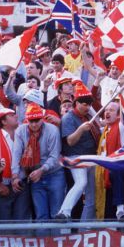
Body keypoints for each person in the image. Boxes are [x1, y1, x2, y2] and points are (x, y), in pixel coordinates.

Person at [12, 103, 64, 222]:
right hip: (35, 175)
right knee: (41, 215)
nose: (34, 124)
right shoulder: (20, 131)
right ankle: (44, 240)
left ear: (42, 119)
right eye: (31, 121)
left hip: (54, 173)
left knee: (56, 213)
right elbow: (16, 154)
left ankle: (57, 241)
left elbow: (54, 156)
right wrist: (14, 175)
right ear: (26, 120)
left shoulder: (52, 130)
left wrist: (41, 170)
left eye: (37, 120)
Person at [56, 84, 98, 221]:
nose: (87, 107)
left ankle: (85, 229)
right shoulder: (68, 118)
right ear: (76, 103)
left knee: (92, 196)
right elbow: (70, 141)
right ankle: (64, 211)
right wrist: (80, 130)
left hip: (91, 157)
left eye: (89, 105)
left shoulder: (88, 115)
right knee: (81, 183)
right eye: (84, 104)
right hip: (76, 157)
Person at [0, 108, 31, 221]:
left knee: (22, 222)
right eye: (12, 115)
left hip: (21, 185)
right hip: (3, 187)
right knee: (3, 225)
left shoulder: (23, 136)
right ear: (4, 122)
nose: (16, 116)